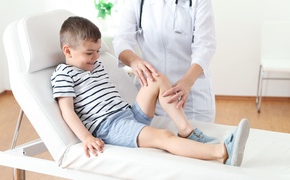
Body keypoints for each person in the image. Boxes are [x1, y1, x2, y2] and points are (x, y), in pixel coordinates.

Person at [51, 16, 250, 167]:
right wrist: (86, 138)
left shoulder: (96, 65)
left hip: (127, 115)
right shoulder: (63, 73)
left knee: (155, 78)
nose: (96, 56)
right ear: (68, 51)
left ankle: (187, 132)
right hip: (110, 126)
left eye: (97, 50)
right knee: (163, 136)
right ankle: (221, 153)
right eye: (89, 52)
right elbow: (67, 110)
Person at [113, 0, 217, 122]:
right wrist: (135, 61)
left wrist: (187, 82)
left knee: (195, 145)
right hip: (150, 93)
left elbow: (206, 46)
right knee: (155, 148)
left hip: (190, 95)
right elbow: (122, 40)